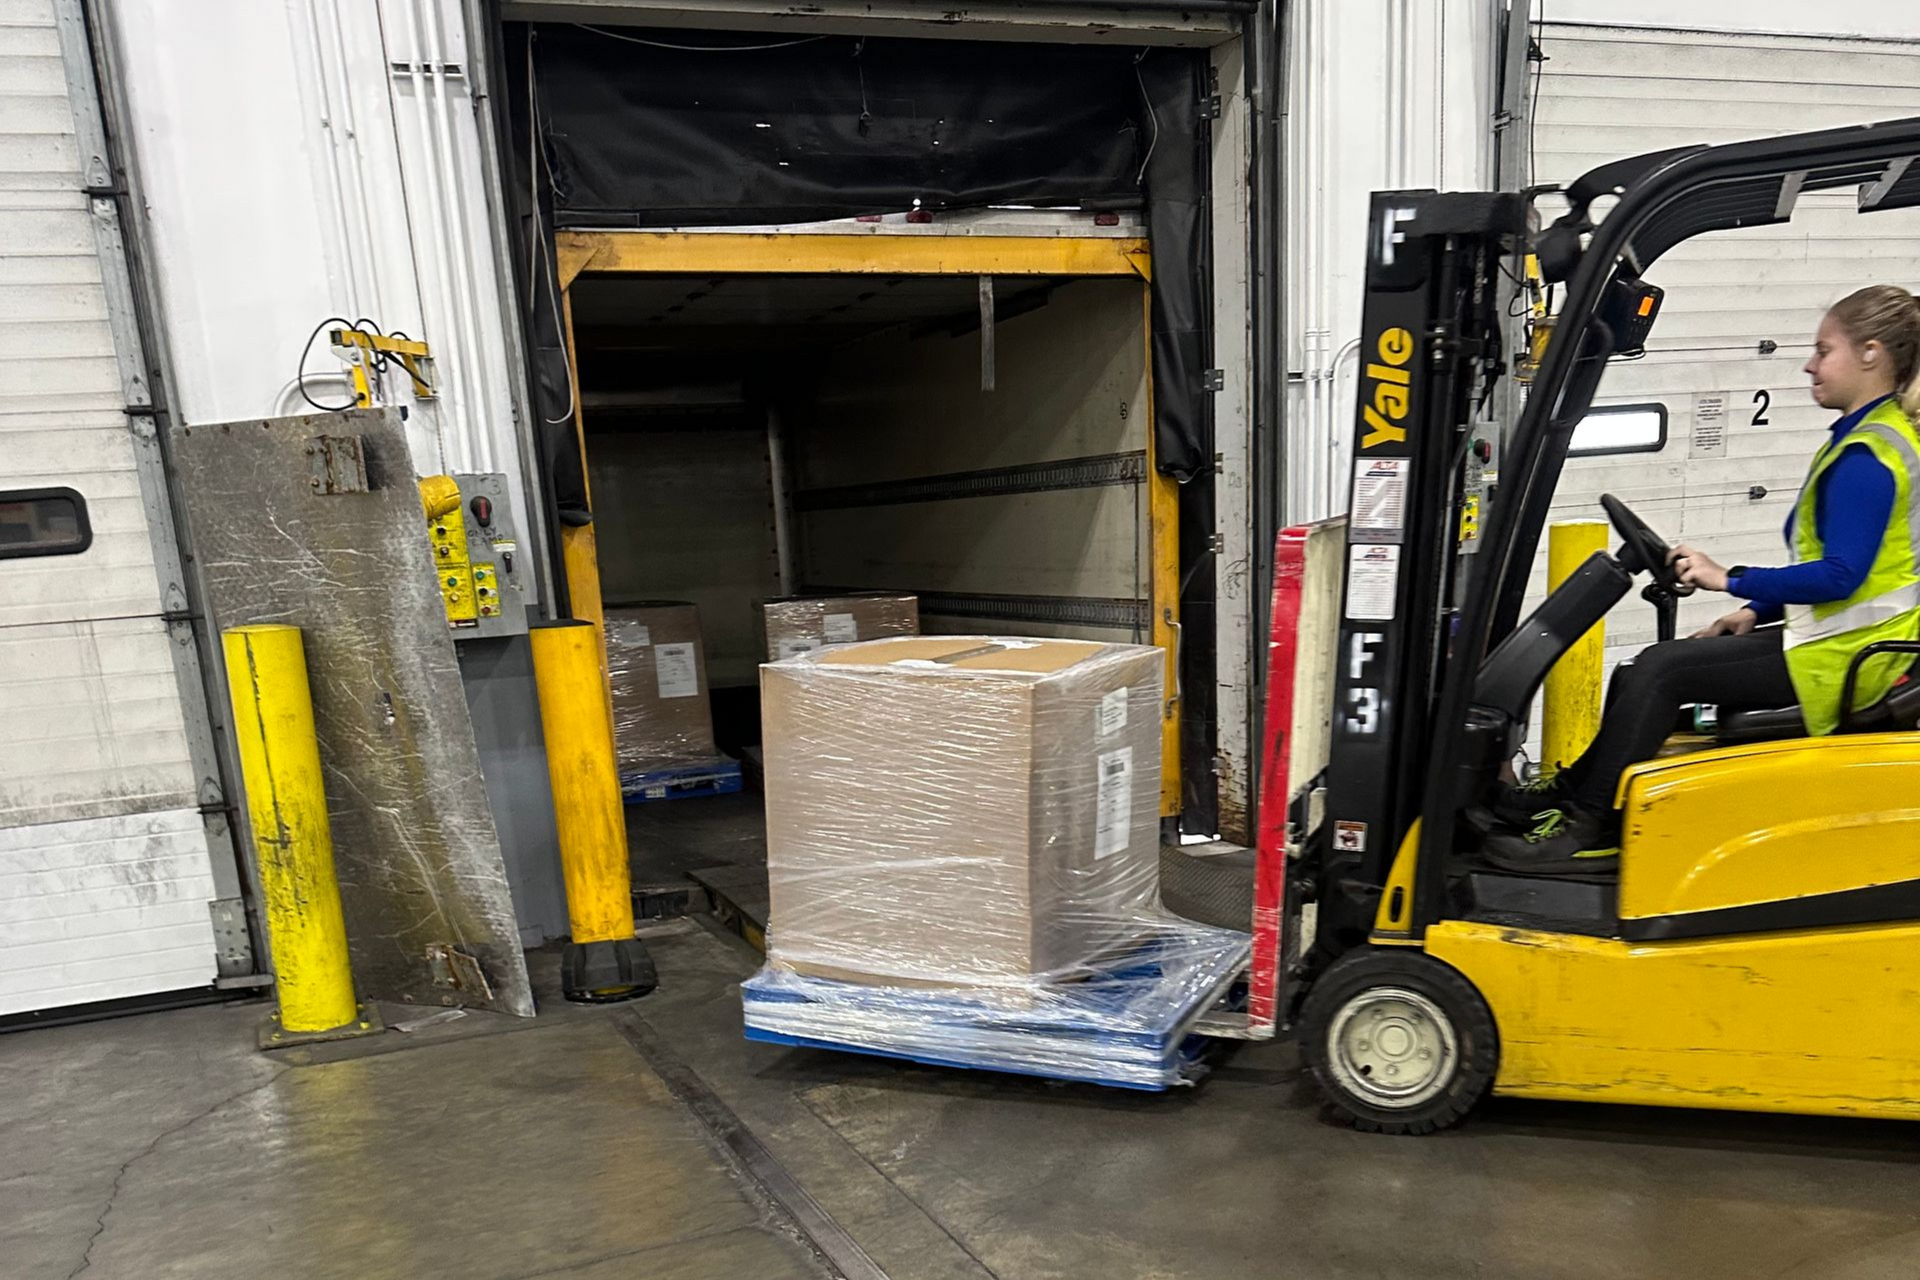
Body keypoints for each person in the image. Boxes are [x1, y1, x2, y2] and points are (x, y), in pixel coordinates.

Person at [1484, 284, 1920, 874]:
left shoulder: (1870, 456)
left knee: (1662, 672)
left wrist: (1728, 579)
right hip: (1843, 647)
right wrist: (1754, 613)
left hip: (1842, 664)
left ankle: (1591, 829)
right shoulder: (1870, 437)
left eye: (1824, 350)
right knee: (1642, 669)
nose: (1809, 364)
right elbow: (1872, 581)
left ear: (1871, 355)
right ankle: (1569, 796)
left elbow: (1841, 576)